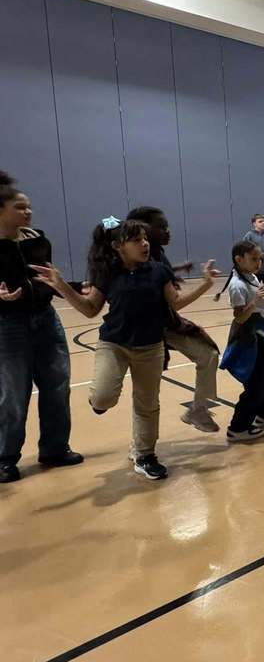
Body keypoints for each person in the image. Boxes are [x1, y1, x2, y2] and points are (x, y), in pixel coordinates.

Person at [32, 218, 218, 480]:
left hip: (151, 348)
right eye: (136, 240)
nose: (144, 244)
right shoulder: (107, 273)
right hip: (114, 345)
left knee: (147, 404)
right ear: (118, 246)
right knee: (103, 398)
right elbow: (90, 309)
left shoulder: (158, 271)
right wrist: (60, 285)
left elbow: (175, 303)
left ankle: (145, 456)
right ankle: (100, 401)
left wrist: (206, 284)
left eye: (145, 238)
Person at [0, 171, 83, 484]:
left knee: (57, 385)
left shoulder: (37, 239)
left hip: (46, 320)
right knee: (13, 394)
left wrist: (75, 287)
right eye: (20, 207)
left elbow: (45, 278)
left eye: (29, 206)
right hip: (9, 326)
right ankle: (5, 458)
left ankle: (54, 449)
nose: (28, 212)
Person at [126, 207, 221, 434]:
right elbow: (174, 301)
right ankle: (140, 444)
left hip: (166, 324)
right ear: (143, 228)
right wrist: (206, 284)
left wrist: (177, 269)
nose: (168, 231)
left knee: (208, 354)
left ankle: (198, 410)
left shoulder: (157, 253)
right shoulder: (130, 261)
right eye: (162, 227)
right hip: (141, 332)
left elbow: (161, 273)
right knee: (146, 393)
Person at [218, 240, 264, 441]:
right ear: (239, 259)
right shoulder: (237, 285)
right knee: (255, 383)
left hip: (259, 334)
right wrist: (256, 299)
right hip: (246, 338)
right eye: (253, 259)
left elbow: (259, 304)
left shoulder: (251, 277)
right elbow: (240, 317)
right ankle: (237, 427)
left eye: (259, 259)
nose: (258, 263)